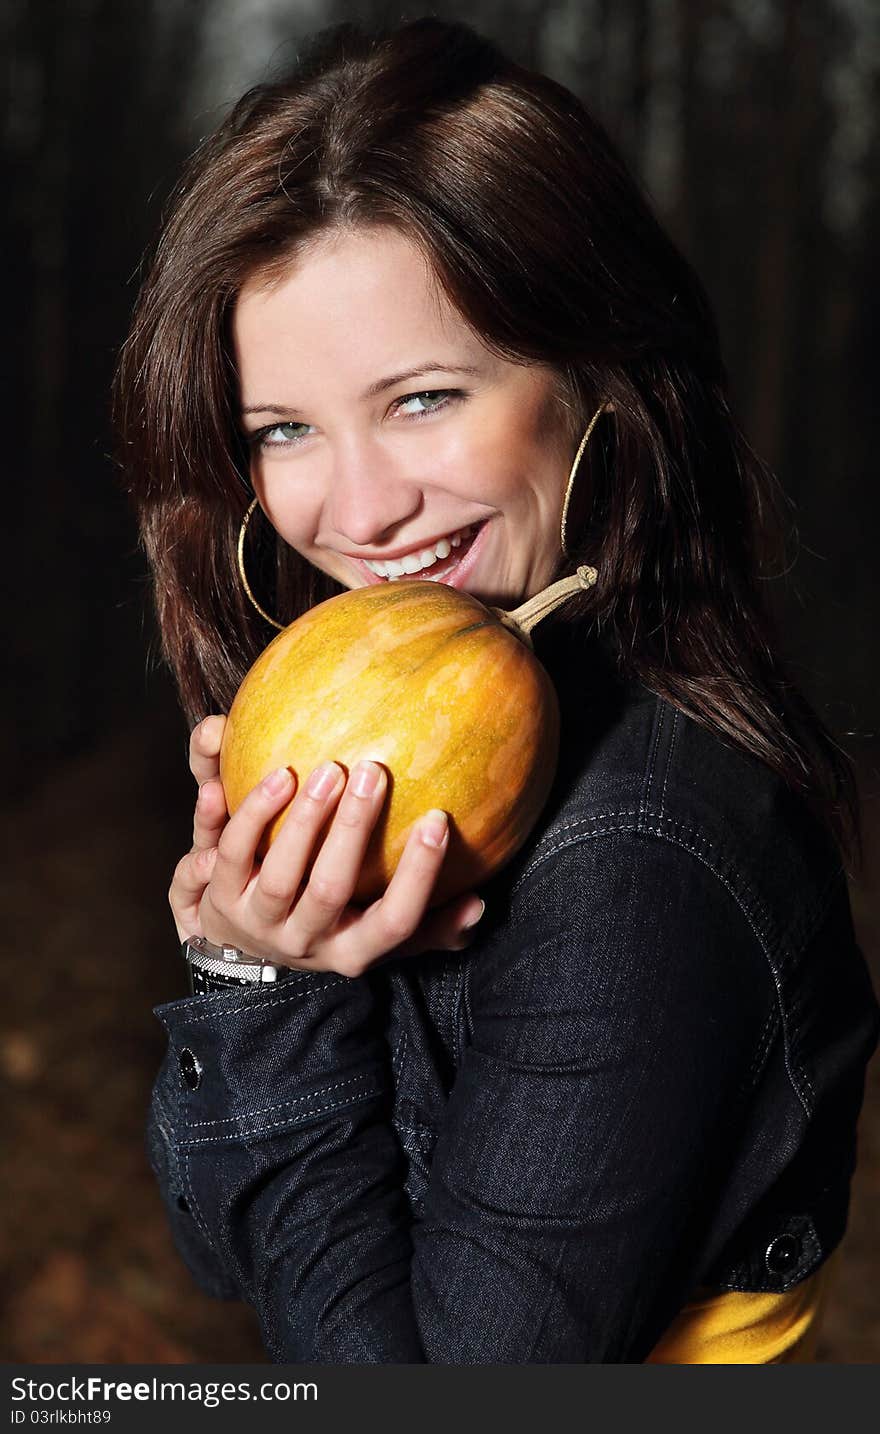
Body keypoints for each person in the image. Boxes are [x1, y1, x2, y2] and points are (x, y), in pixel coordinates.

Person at [113, 18, 879, 1363]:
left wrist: (267, 1002)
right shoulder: (419, 748)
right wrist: (253, 961)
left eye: (420, 399)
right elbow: (228, 1239)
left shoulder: (638, 849)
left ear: (592, 373)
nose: (355, 510)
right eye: (282, 430)